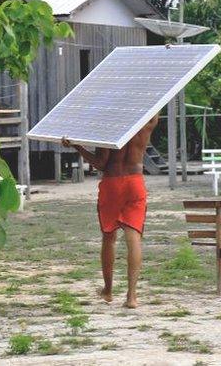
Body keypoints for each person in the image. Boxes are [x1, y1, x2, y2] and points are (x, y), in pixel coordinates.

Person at [62, 114, 159, 308]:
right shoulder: (149, 121)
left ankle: (108, 291)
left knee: (109, 237)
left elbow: (100, 164)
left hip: (112, 183)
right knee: (134, 237)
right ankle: (132, 297)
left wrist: (77, 146)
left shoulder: (109, 123)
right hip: (135, 181)